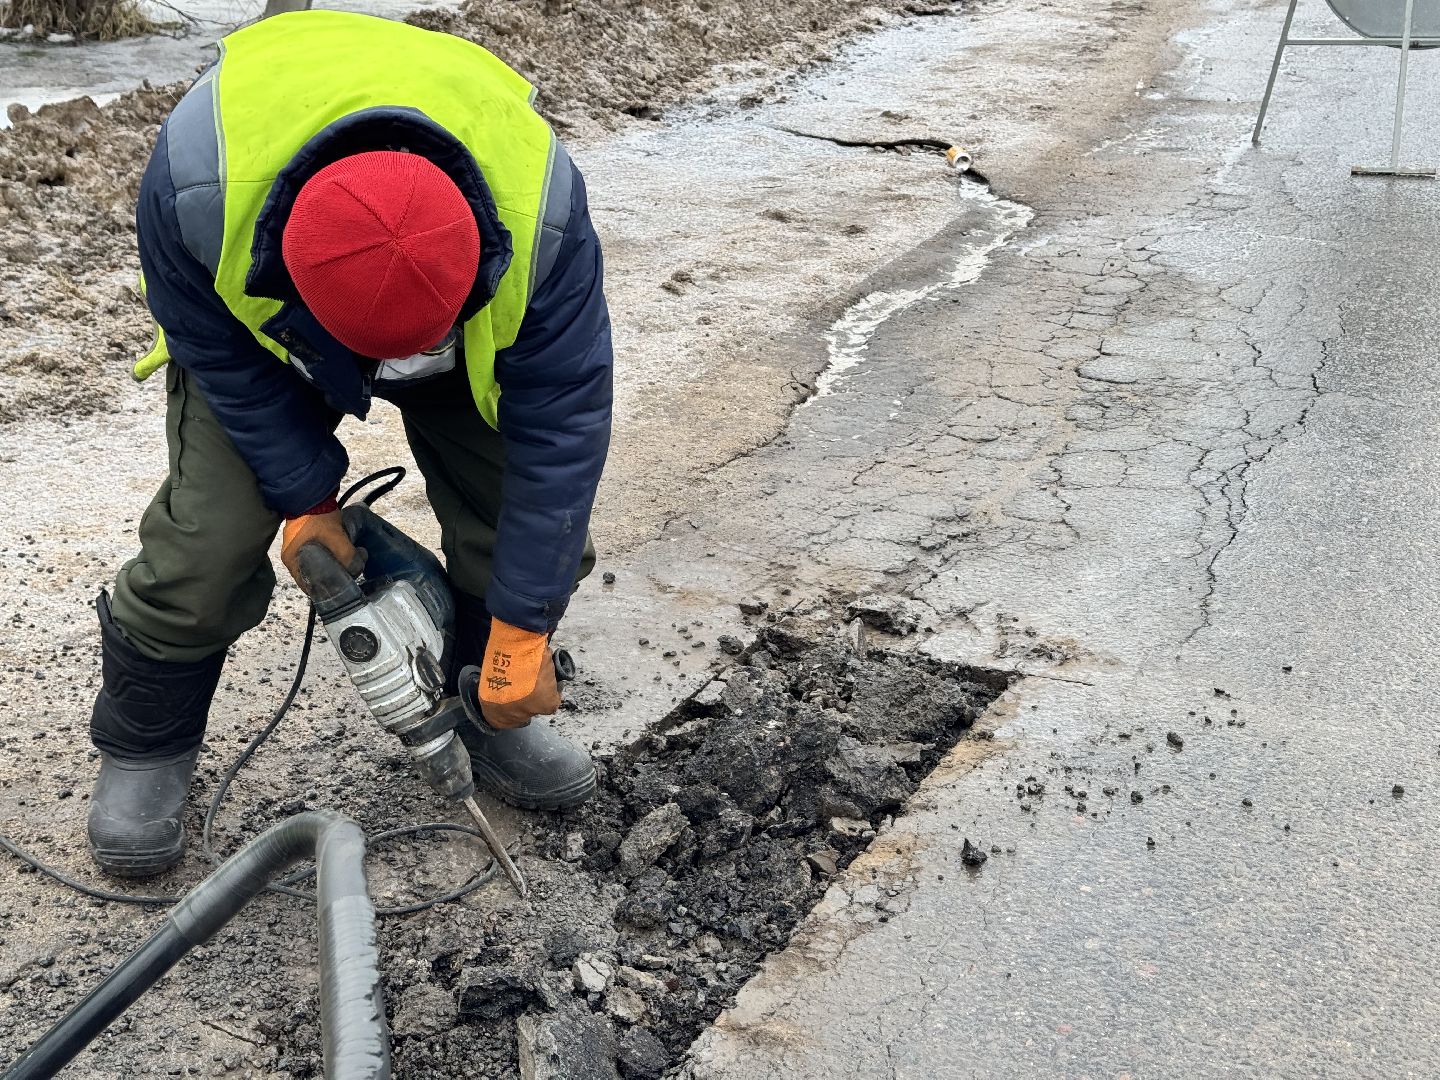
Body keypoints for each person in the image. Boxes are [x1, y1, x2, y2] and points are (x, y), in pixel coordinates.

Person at [87, 9, 612, 877]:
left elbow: (563, 423)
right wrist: (307, 496)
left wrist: (524, 627)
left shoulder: (542, 218)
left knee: (523, 524)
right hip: (274, 339)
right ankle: (146, 745)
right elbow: (218, 350)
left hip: (464, 327)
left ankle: (486, 700)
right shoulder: (195, 187)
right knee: (204, 544)